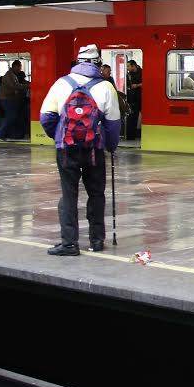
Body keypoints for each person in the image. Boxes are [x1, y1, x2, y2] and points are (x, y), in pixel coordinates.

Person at [39, 44, 121, 256]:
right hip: (94, 150)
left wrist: (58, 136)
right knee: (96, 194)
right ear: (97, 64)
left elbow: (46, 117)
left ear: (78, 62)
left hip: (66, 149)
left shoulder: (61, 84)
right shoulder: (106, 87)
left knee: (69, 194)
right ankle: (96, 240)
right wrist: (110, 147)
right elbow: (113, 124)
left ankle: (69, 244)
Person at [0, 60, 29, 140]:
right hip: (6, 99)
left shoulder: (13, 75)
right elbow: (14, 86)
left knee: (14, 116)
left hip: (11, 99)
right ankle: (0, 133)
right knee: (11, 116)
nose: (20, 69)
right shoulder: (9, 75)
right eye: (19, 67)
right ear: (15, 66)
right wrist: (26, 86)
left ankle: (14, 134)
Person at [125, 60, 142, 140]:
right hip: (133, 99)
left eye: (128, 66)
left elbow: (148, 82)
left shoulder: (143, 72)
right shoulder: (128, 75)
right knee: (132, 117)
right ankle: (131, 136)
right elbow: (127, 85)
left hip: (142, 98)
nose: (127, 68)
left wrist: (137, 85)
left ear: (133, 66)